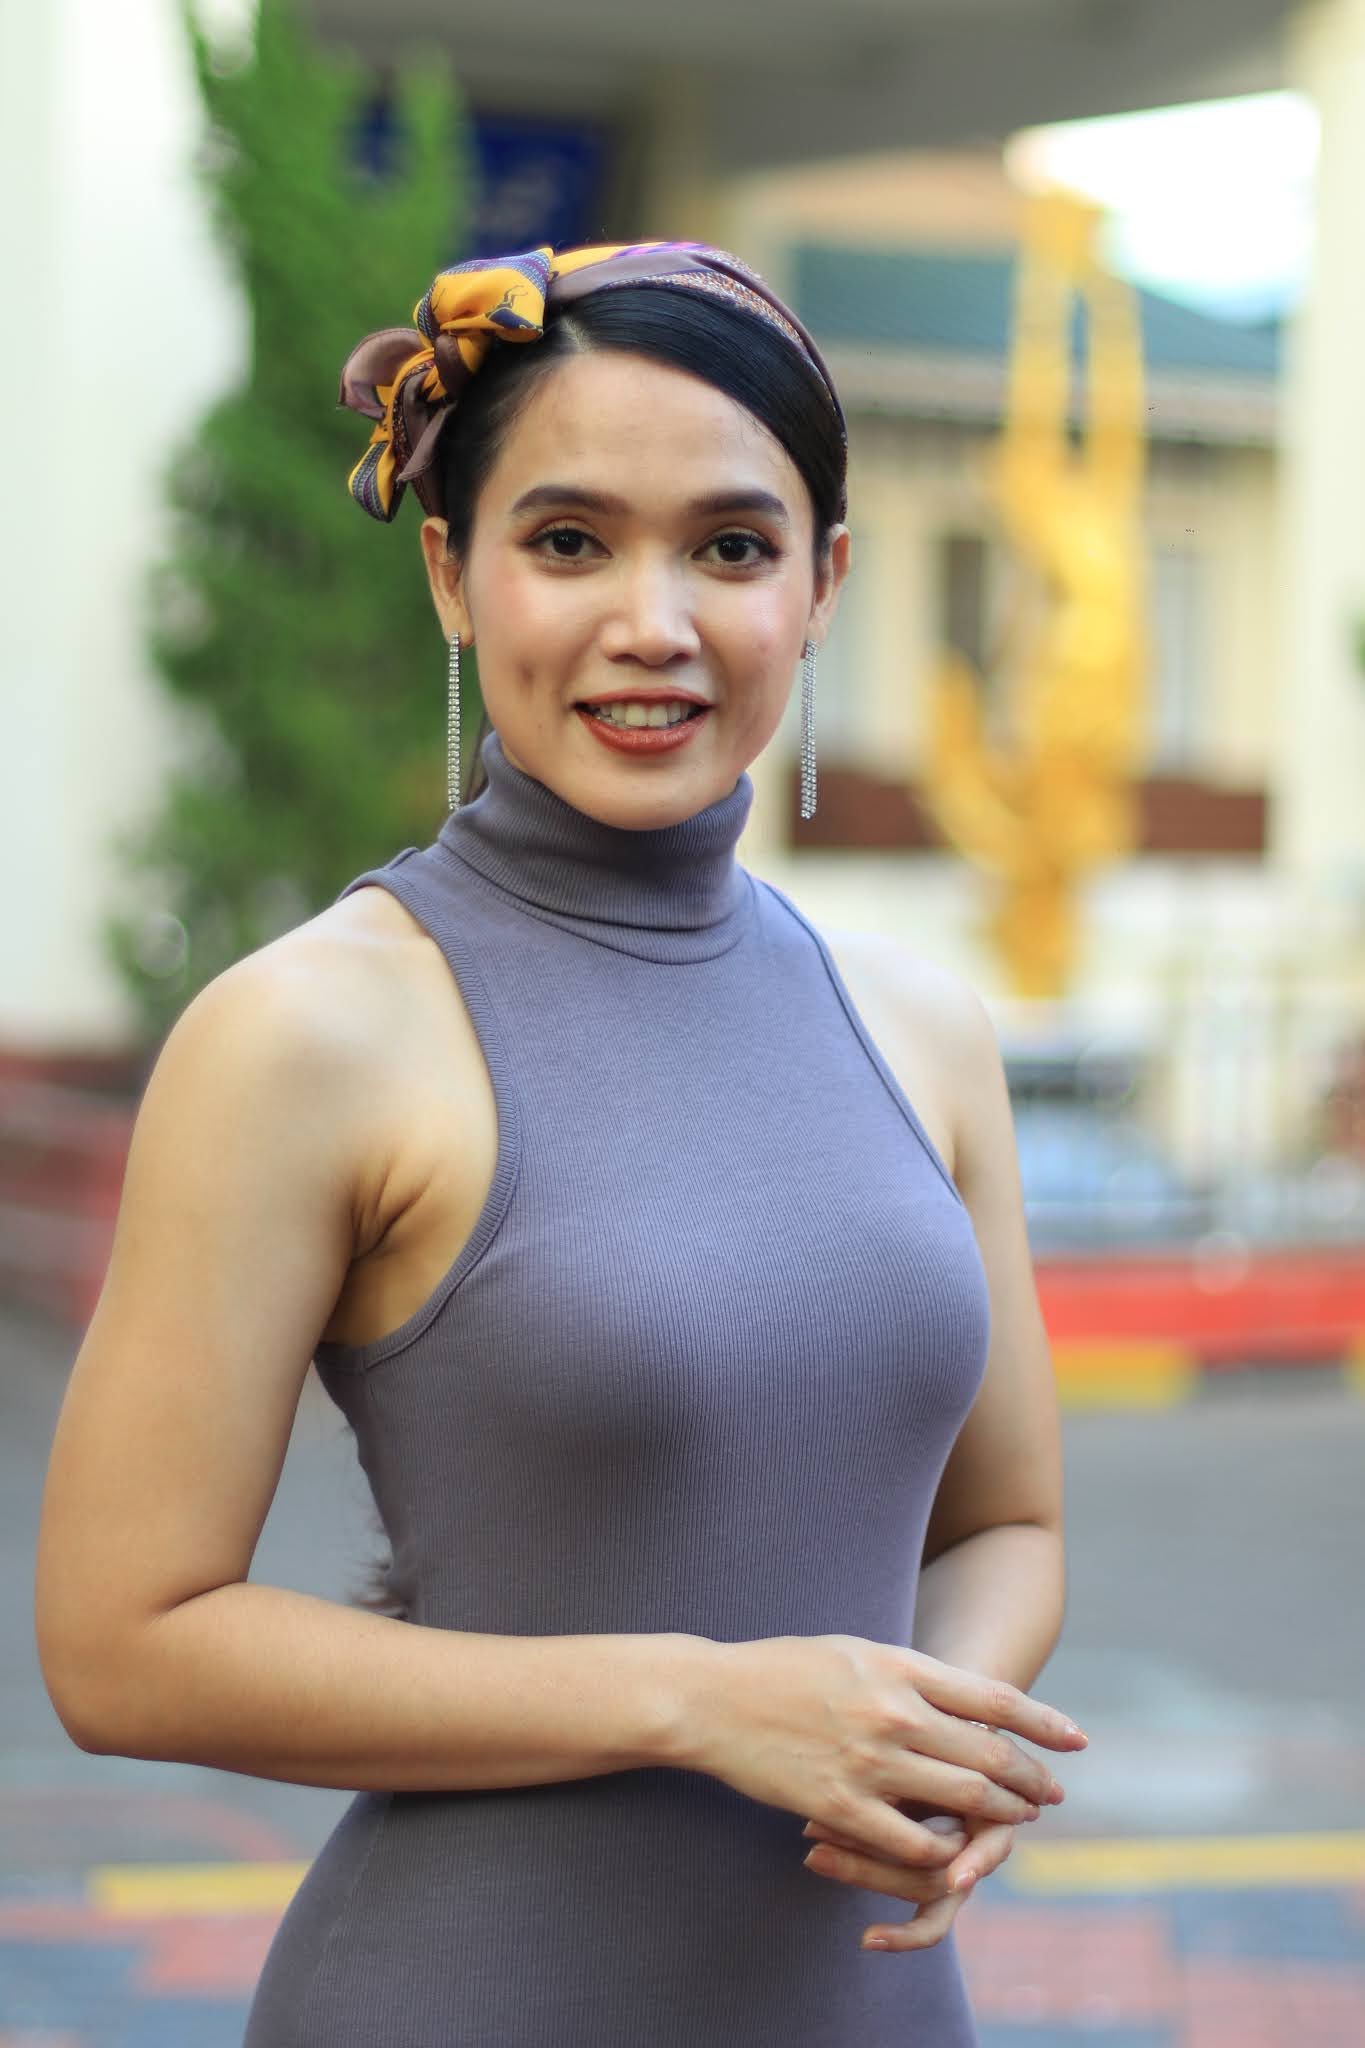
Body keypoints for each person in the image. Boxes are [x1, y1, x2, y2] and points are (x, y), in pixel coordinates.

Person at [35, 240, 1085, 2046]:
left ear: (824, 584)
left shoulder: (923, 1029)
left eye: (731, 548)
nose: (651, 623)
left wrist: (927, 1734)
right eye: (570, 540)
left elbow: (1007, 1522)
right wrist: (699, 1702)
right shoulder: (308, 1033)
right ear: (453, 572)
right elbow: (121, 1645)